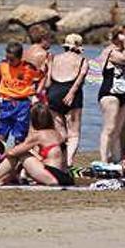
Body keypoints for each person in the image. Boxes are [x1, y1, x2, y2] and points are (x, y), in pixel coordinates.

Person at [0, 104, 73, 187]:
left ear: (33, 120)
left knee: (20, 154)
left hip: (52, 177)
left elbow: (13, 152)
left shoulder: (38, 135)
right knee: (23, 156)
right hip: (64, 177)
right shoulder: (56, 134)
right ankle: (3, 179)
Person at [45, 34, 89, 167]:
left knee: (59, 131)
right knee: (74, 133)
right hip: (72, 93)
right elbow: (79, 80)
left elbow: (47, 82)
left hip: (54, 92)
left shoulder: (53, 58)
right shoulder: (82, 60)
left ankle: (58, 161)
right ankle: (68, 161)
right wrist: (71, 93)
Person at [98, 26, 125, 163]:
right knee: (109, 128)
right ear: (118, 36)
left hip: (123, 94)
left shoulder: (122, 52)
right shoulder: (111, 52)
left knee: (118, 130)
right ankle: (103, 161)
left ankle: (116, 159)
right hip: (110, 93)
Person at [0, 42, 39, 144]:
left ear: (20, 57)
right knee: (1, 131)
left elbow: (41, 77)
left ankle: (18, 155)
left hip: (22, 104)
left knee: (20, 134)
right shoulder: (3, 64)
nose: (9, 61)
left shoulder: (28, 68)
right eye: (7, 58)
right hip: (6, 102)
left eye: (12, 60)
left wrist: (37, 93)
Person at [25, 24, 51, 97]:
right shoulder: (45, 55)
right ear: (43, 39)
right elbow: (47, 83)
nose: (51, 41)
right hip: (37, 93)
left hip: (23, 91)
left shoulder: (24, 53)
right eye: (49, 38)